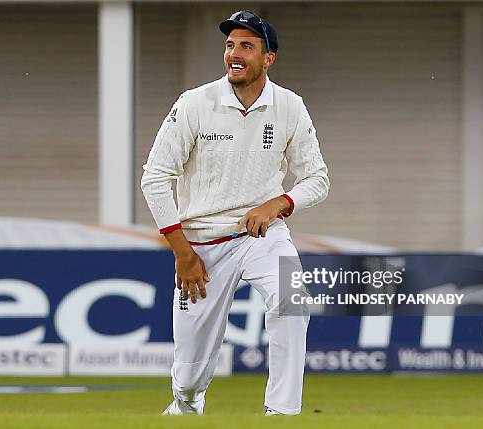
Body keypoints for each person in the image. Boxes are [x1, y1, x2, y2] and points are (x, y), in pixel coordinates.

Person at [141, 10, 330, 416]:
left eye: (247, 45)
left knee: (292, 297)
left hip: (262, 236)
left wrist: (278, 203)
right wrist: (182, 253)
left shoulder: (290, 106)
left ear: (268, 58)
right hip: (201, 243)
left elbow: (317, 179)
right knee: (189, 374)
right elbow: (154, 179)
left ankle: (282, 412)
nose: (234, 53)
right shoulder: (194, 103)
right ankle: (186, 405)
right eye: (230, 45)